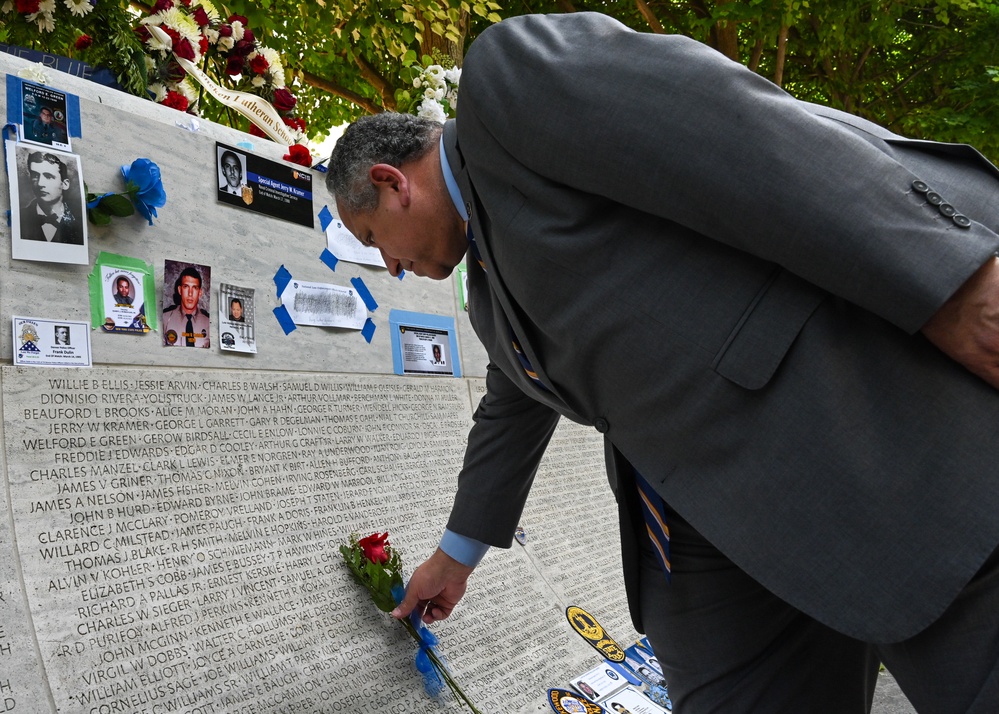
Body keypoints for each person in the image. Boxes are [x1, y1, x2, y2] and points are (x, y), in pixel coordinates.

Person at [326, 13, 999, 714]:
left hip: (869, 458)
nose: (391, 266)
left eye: (374, 238)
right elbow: (510, 410)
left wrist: (952, 286)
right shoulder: (492, 298)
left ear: (391, 182)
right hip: (704, 547)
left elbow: (739, 132)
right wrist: (454, 556)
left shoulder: (509, 88)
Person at [21, 151, 83, 245]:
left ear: (65, 184)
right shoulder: (20, 216)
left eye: (48, 176)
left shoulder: (79, 221)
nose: (40, 184)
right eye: (35, 176)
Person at [163, 267, 210, 347]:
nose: (190, 293)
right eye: (186, 287)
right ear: (180, 290)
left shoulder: (208, 322)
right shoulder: (165, 319)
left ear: (200, 292)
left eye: (194, 288)